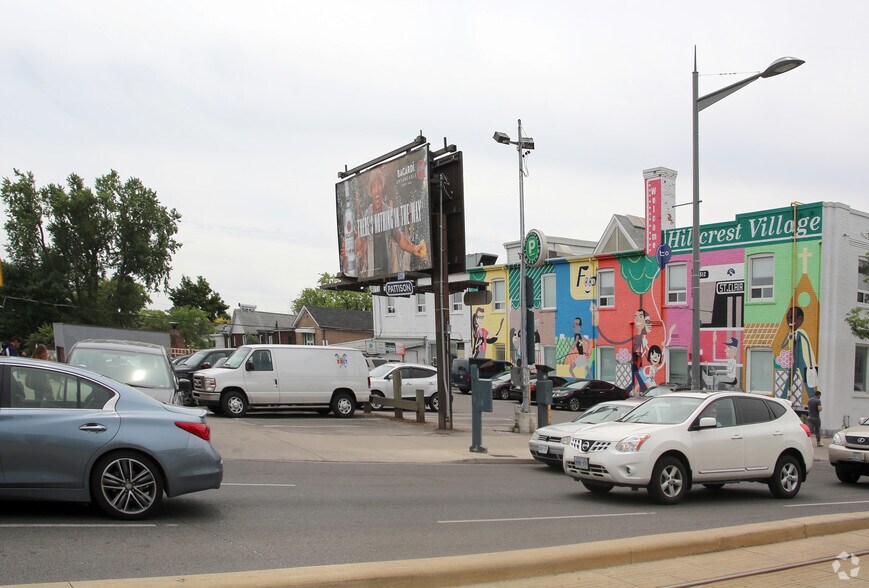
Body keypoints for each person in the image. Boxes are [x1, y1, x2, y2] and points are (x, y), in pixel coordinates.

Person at [354, 168, 428, 278]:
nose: (377, 189)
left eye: (379, 185)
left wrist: (414, 248)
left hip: (388, 271)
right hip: (372, 274)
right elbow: (360, 241)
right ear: (371, 192)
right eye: (374, 186)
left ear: (382, 187)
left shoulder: (389, 212)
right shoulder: (367, 215)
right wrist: (350, 250)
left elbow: (398, 237)